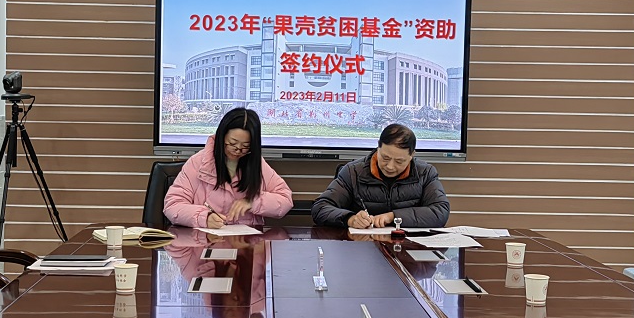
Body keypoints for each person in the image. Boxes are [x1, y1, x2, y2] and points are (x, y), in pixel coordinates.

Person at [164, 108, 293, 228]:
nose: (238, 150)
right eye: (232, 143)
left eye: (245, 146)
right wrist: (204, 217)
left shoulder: (257, 164)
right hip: (207, 240)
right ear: (221, 136)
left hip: (247, 241)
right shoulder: (198, 163)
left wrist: (253, 201)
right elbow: (173, 205)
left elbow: (285, 200)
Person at [311, 123, 449, 229]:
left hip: (408, 247)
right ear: (378, 147)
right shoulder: (353, 172)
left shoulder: (425, 173)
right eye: (385, 158)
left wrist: (393, 217)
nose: (390, 166)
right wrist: (350, 219)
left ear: (412, 155)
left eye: (399, 161)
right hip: (361, 247)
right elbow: (320, 208)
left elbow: (440, 212)